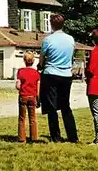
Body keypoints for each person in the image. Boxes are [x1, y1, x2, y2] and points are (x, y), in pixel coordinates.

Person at [38, 13, 78, 143]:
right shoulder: (70, 39)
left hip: (51, 74)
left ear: (51, 24)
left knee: (52, 107)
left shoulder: (48, 40)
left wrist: (40, 66)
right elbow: (71, 57)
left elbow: (42, 58)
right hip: (66, 75)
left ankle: (56, 136)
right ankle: (72, 136)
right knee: (65, 106)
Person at [16, 50, 40, 143]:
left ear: (24, 60)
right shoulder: (36, 73)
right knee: (33, 118)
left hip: (23, 96)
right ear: (33, 61)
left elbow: (18, 85)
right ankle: (34, 137)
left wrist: (20, 87)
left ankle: (22, 138)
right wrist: (38, 97)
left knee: (22, 118)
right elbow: (38, 87)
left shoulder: (20, 71)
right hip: (33, 96)